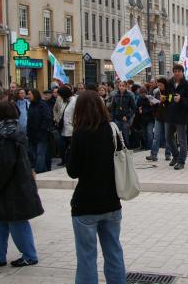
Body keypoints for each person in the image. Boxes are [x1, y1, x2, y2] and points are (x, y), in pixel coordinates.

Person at [66, 91, 126, 284]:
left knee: (86, 257)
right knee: (114, 252)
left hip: (86, 203)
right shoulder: (112, 129)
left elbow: (73, 171)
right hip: (111, 200)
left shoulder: (80, 133)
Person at [0, 101, 43, 269]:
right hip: (14, 183)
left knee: (16, 220)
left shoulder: (6, 134)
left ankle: (29, 255)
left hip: (12, 185)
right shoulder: (14, 129)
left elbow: (7, 162)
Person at [166, 64, 188, 170]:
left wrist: (181, 99)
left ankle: (181, 161)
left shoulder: (187, 85)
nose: (177, 73)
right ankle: (176, 155)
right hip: (171, 115)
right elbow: (169, 96)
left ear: (182, 72)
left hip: (181, 116)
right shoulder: (170, 83)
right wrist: (166, 99)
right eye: (175, 71)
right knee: (168, 138)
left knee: (182, 140)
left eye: (179, 71)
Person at [27, 89, 52, 174]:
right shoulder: (31, 105)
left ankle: (39, 172)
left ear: (35, 95)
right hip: (32, 135)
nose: (28, 96)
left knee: (40, 154)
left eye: (29, 94)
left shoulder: (42, 105)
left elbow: (47, 118)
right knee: (35, 154)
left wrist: (42, 130)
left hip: (42, 135)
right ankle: (44, 172)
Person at [146, 78, 171, 161]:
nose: (159, 87)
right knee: (156, 136)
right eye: (158, 85)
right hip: (159, 116)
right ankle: (153, 154)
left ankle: (168, 154)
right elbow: (156, 102)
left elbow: (171, 102)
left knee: (168, 136)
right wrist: (152, 103)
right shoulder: (157, 92)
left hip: (167, 117)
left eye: (161, 85)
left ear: (165, 84)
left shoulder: (169, 91)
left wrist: (166, 100)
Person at [111, 81, 136, 148]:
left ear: (126, 87)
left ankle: (127, 149)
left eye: (123, 86)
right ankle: (119, 149)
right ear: (118, 87)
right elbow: (112, 108)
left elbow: (134, 108)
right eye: (120, 86)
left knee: (125, 135)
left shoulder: (129, 95)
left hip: (125, 119)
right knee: (117, 135)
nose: (121, 87)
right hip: (117, 119)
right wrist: (112, 119)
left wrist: (128, 116)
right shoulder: (116, 95)